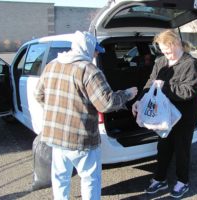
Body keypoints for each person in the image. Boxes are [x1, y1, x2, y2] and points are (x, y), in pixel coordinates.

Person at [34, 30, 138, 200]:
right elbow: (106, 103)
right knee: (90, 179)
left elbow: (39, 95)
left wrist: (56, 111)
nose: (97, 53)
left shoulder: (52, 65)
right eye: (96, 50)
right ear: (87, 48)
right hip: (81, 139)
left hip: (55, 138)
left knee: (60, 178)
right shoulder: (89, 70)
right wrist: (127, 94)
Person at [132, 29, 197, 198]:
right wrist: (140, 100)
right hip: (164, 114)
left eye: (168, 51)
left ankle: (182, 181)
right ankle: (160, 178)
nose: (166, 54)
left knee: (181, 148)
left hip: (184, 115)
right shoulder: (161, 61)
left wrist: (164, 87)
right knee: (163, 146)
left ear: (177, 44)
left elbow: (188, 92)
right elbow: (151, 82)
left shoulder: (190, 64)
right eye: (163, 51)